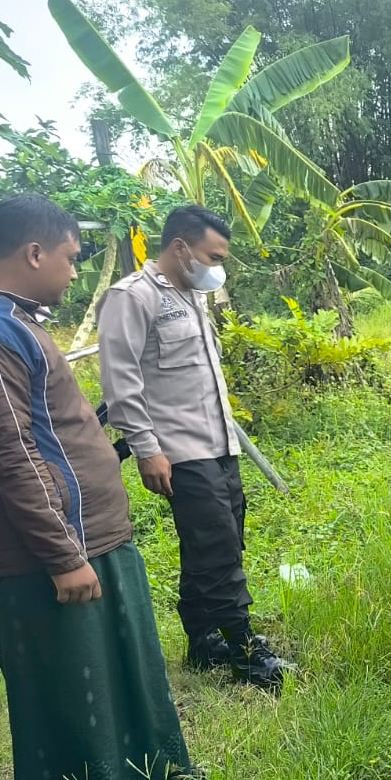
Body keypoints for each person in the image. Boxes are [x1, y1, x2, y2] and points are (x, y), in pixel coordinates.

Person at [0, 194, 194, 780]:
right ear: (34, 253)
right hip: (52, 556)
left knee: (123, 679)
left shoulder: (18, 322)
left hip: (93, 538)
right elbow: (12, 455)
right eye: (71, 257)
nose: (76, 271)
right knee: (77, 698)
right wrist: (63, 555)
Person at [98, 205, 289, 690]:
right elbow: (121, 383)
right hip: (181, 452)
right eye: (213, 256)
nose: (217, 267)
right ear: (180, 247)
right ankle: (248, 655)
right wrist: (147, 450)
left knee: (215, 544)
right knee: (218, 549)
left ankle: (203, 643)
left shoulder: (191, 296)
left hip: (219, 446)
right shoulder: (133, 297)